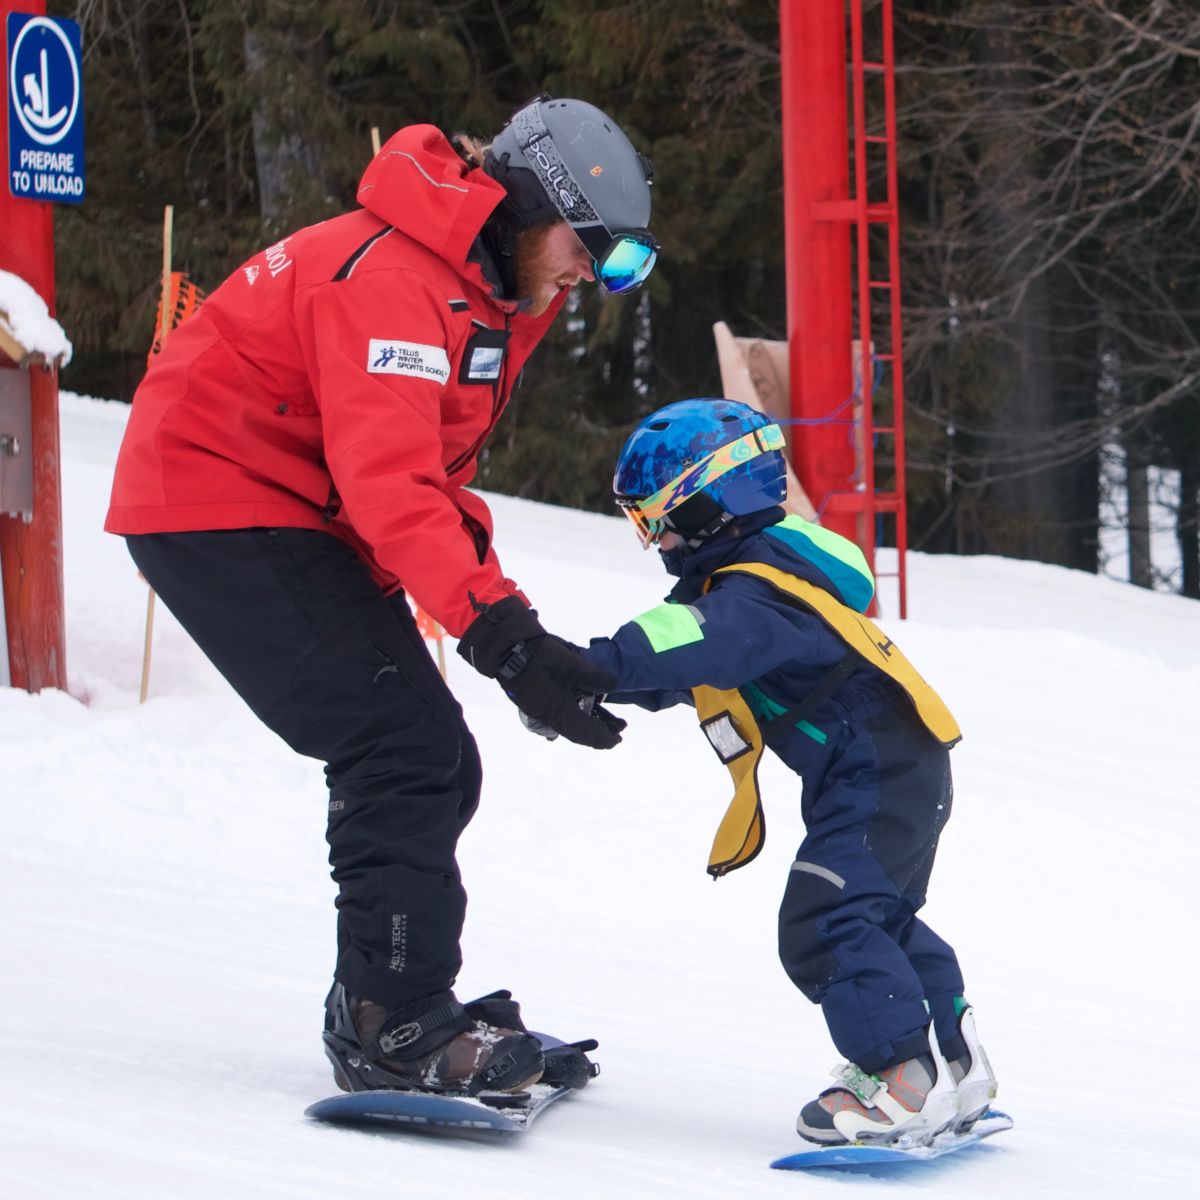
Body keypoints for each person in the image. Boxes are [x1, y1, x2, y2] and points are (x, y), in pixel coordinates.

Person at [104, 94, 654, 1096]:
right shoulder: (395, 281)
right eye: (593, 249)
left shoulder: (486, 293)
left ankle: (391, 996)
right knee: (401, 747)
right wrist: (505, 639)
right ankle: (391, 1022)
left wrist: (512, 629)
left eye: (624, 264)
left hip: (295, 506)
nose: (597, 277)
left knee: (435, 759)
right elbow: (390, 483)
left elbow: (421, 475)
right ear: (529, 206)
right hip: (212, 500)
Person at [576, 398, 998, 1144]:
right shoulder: (773, 566)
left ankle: (900, 1078)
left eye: (657, 520)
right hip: (899, 768)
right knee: (877, 917)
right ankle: (956, 1065)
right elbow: (691, 661)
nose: (655, 541)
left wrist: (589, 666)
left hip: (877, 772)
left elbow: (694, 640)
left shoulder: (755, 591)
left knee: (825, 920)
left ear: (711, 503)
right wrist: (585, 687)